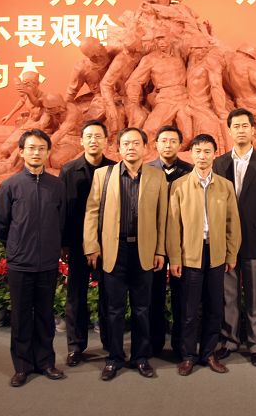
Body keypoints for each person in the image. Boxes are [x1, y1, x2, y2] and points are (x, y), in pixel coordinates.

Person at [83, 127, 168, 381]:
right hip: (114, 251)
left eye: (136, 143)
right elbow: (92, 212)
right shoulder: (103, 174)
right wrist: (91, 245)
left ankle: (141, 357)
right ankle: (114, 358)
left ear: (145, 148)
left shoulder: (157, 176)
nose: (131, 147)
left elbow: (163, 216)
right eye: (126, 144)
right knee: (114, 309)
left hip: (144, 251)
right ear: (118, 148)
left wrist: (160, 250)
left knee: (142, 308)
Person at [0, 128, 66, 388]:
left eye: (41, 149)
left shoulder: (56, 186)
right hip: (20, 263)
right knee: (21, 316)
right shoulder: (10, 186)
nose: (36, 153)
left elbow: (62, 223)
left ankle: (46, 362)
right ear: (22, 152)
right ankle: (22, 366)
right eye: (31, 148)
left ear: (48, 153)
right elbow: (1, 224)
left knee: (45, 315)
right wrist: (15, 248)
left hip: (47, 263)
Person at [166, 134, 241, 376]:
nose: (202, 156)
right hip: (190, 255)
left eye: (207, 151)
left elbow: (233, 224)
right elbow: (173, 226)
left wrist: (231, 254)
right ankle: (188, 355)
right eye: (197, 151)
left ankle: (209, 353)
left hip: (216, 254)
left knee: (214, 307)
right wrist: (174, 258)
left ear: (214, 154)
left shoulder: (225, 186)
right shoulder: (179, 186)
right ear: (191, 154)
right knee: (189, 310)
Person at [213, 108, 256, 367]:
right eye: (236, 126)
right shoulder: (219, 163)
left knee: (254, 293)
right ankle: (230, 340)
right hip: (226, 240)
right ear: (229, 131)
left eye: (244, 126)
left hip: (254, 239)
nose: (240, 130)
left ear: (252, 130)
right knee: (228, 294)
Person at [59, 120, 115, 367]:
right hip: (77, 244)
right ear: (81, 141)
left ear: (106, 141)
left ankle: (111, 345)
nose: (93, 140)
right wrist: (64, 244)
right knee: (76, 297)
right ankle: (75, 347)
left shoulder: (115, 169)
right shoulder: (68, 170)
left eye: (98, 136)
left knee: (109, 296)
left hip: (109, 244)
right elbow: (63, 209)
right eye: (89, 136)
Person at [147, 125, 193, 357]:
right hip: (152, 243)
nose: (168, 145)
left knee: (182, 296)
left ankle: (180, 345)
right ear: (156, 144)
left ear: (180, 145)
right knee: (153, 295)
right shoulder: (146, 171)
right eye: (163, 140)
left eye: (173, 141)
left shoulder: (190, 172)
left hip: (181, 243)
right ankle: (153, 344)